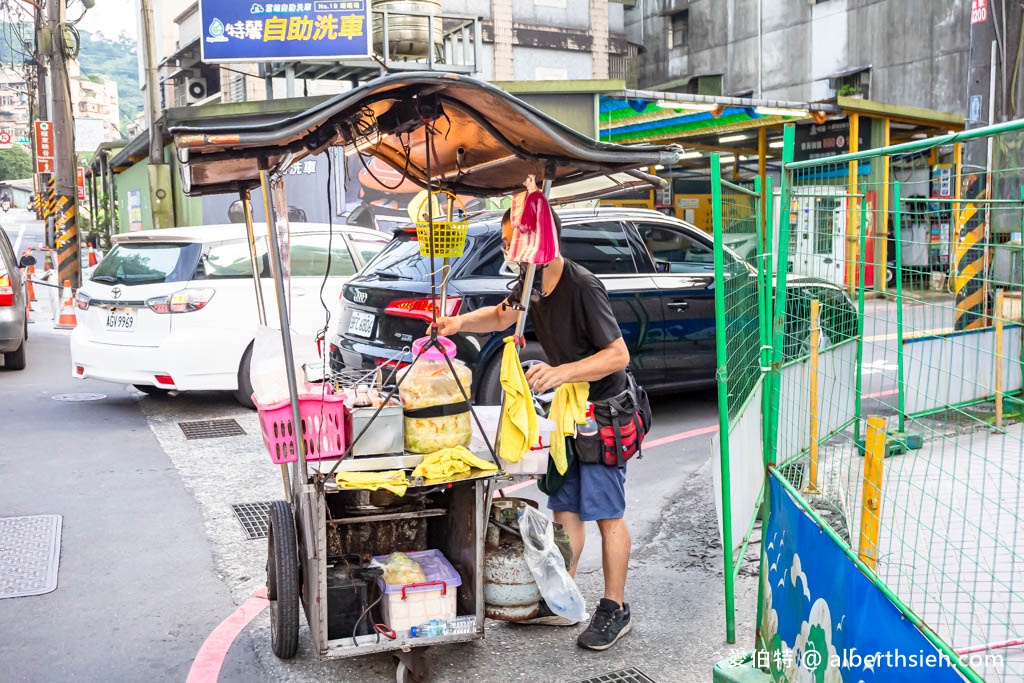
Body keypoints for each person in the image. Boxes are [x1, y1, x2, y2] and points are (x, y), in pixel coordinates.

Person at [435, 210, 634, 651]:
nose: (509, 251)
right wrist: (459, 323)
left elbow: (618, 355)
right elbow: (503, 316)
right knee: (564, 509)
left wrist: (561, 372)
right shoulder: (531, 282)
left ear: (542, 244)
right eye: (508, 242)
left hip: (601, 413)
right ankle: (563, 599)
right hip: (568, 413)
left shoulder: (582, 287)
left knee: (607, 515)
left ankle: (614, 609)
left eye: (514, 242)